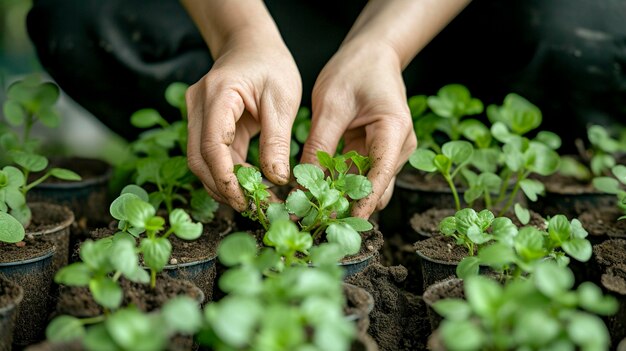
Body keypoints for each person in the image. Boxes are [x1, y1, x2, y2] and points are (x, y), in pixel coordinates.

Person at [27, 0, 626, 218]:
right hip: (279, 14)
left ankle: (410, 117)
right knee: (82, 15)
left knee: (589, 31)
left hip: (453, 21)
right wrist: (240, 34)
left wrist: (384, 42)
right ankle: (241, 122)